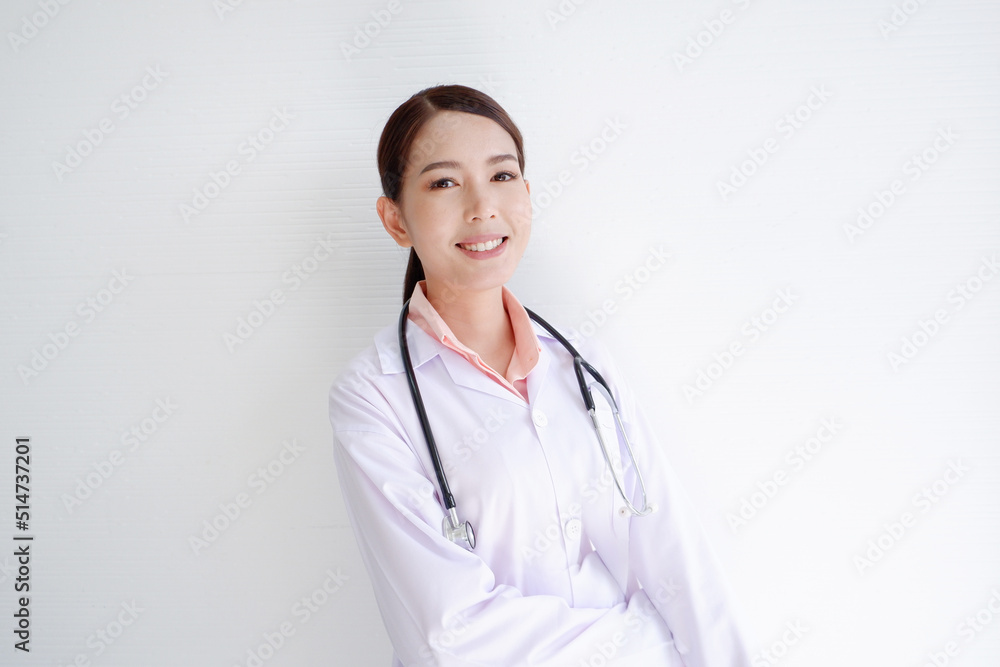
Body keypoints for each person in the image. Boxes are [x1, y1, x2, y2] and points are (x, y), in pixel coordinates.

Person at [329, 84, 752, 666]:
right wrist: (652, 645)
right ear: (395, 218)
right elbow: (450, 634)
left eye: (502, 175)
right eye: (444, 183)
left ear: (526, 194)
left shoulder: (583, 365)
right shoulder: (373, 396)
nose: (482, 206)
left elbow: (675, 555)